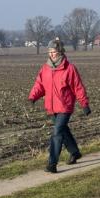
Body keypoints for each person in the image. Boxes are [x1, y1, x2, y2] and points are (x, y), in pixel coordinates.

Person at [28, 38, 91, 173]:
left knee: (57, 133)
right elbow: (39, 85)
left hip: (65, 106)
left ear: (60, 52)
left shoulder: (69, 68)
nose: (51, 54)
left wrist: (84, 103)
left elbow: (78, 87)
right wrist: (33, 96)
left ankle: (52, 164)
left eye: (54, 51)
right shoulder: (45, 68)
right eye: (50, 52)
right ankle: (74, 152)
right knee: (63, 130)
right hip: (51, 107)